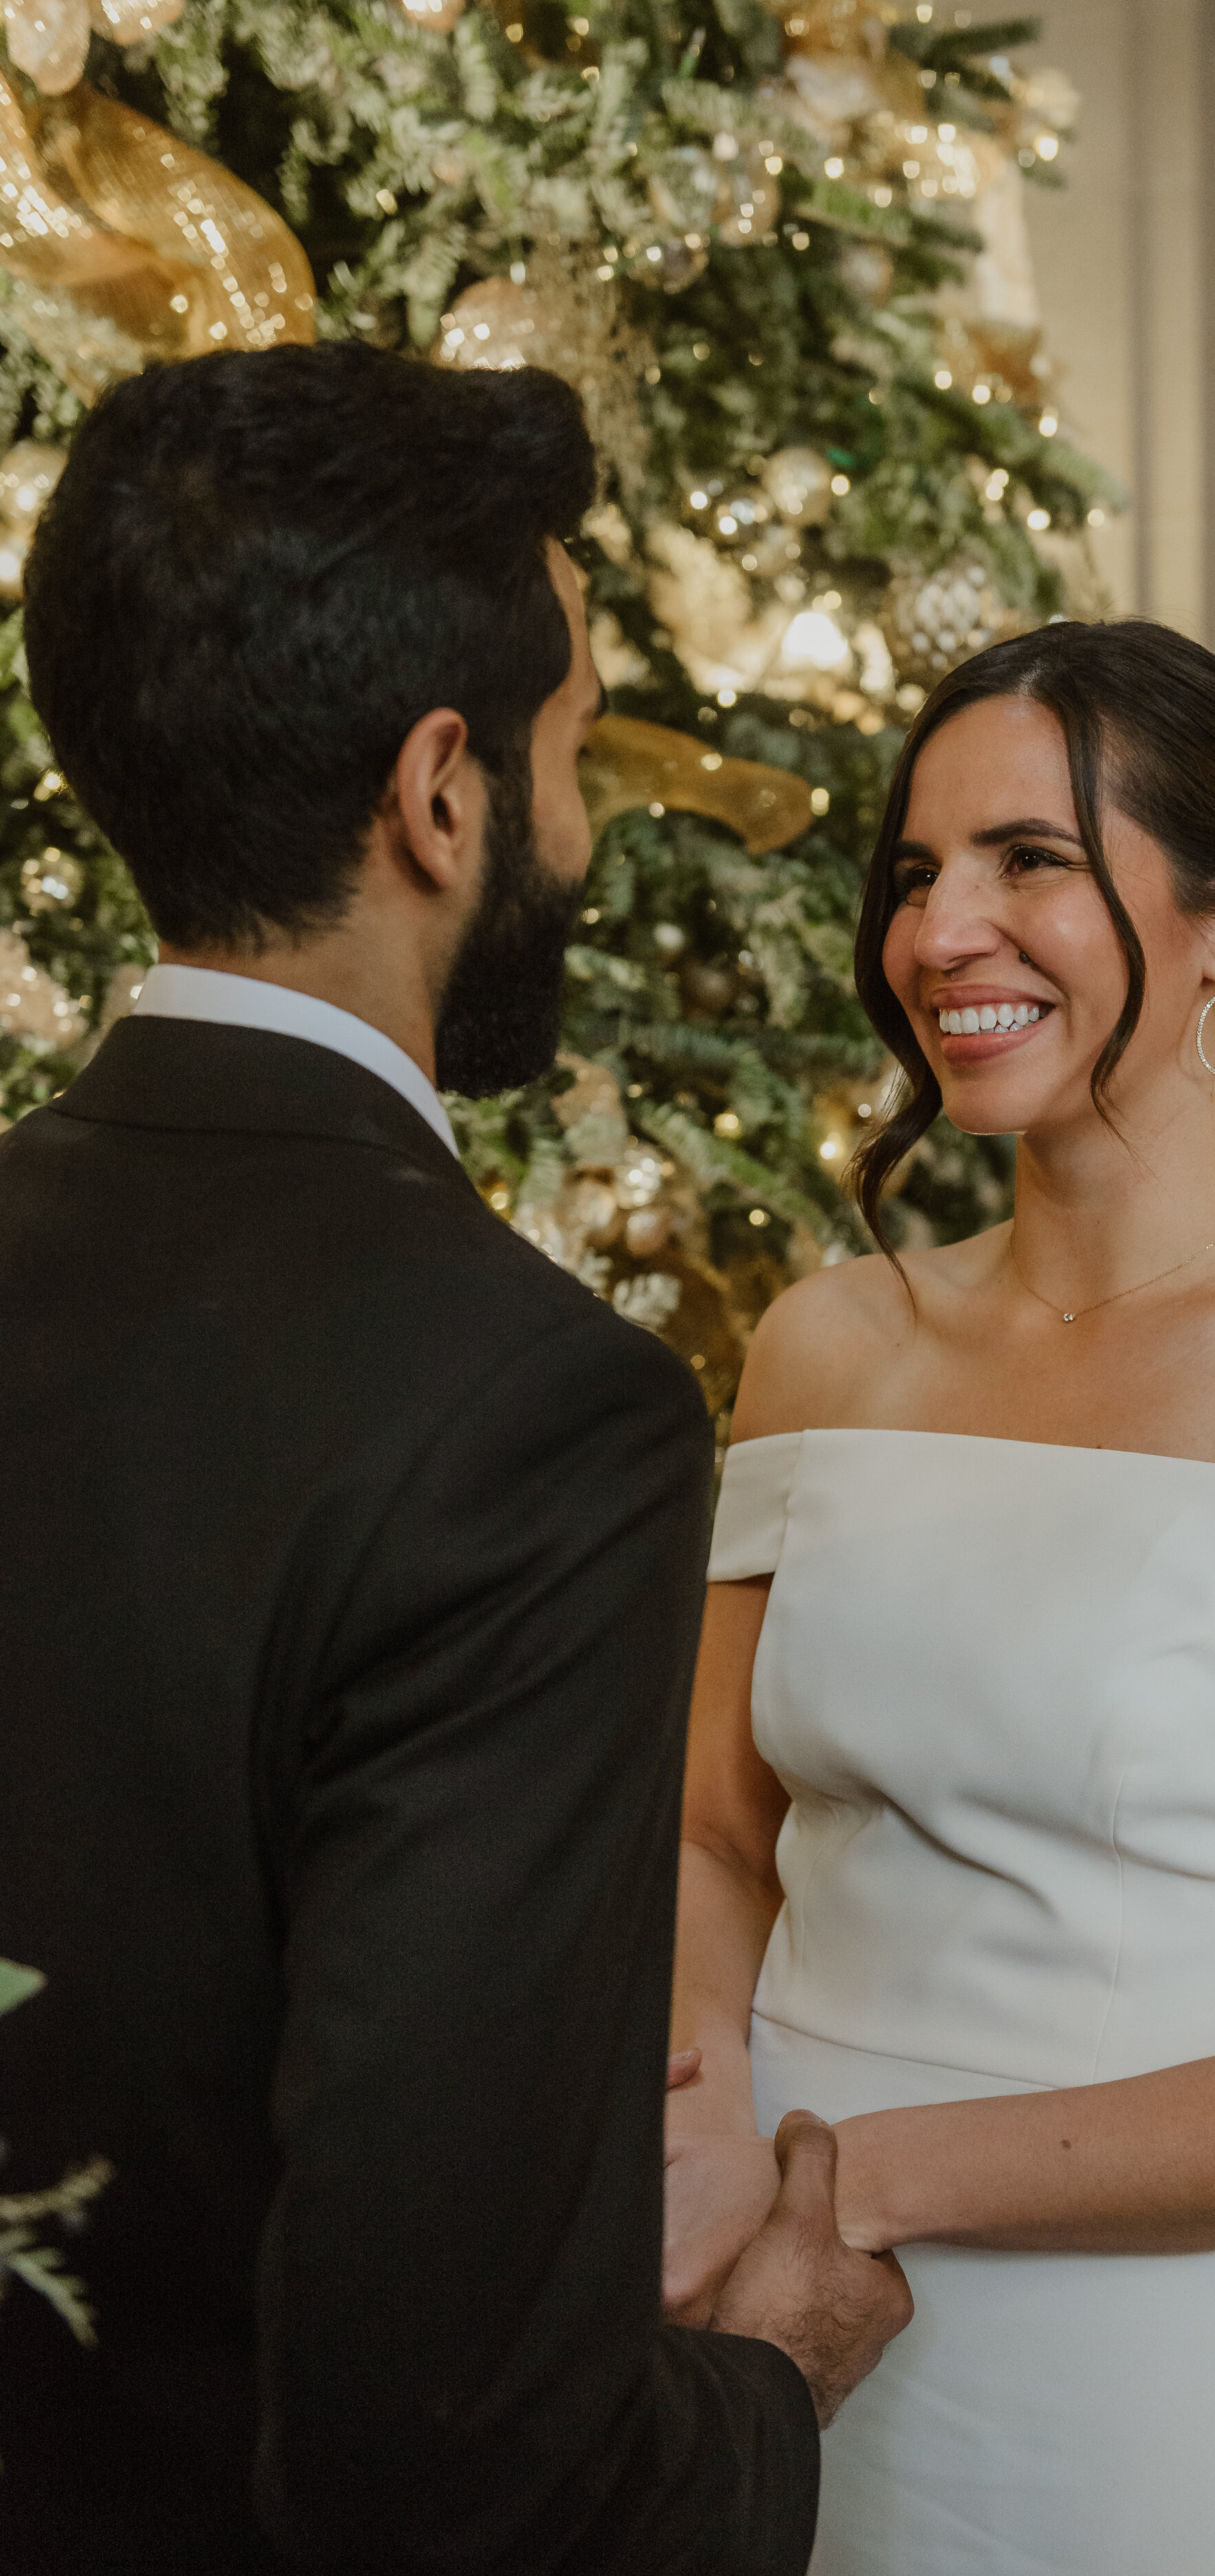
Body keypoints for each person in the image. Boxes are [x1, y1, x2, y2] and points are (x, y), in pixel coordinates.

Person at [0, 343, 907, 2576]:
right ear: (439, 791)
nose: (580, 827)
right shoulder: (532, 1417)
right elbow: (452, 2463)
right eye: (575, 742)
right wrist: (768, 2376)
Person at [663, 620, 1215, 2575]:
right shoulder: (830, 1338)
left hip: (1135, 2407)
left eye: (1029, 860)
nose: (939, 932)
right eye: (915, 872)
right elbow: (714, 1838)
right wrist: (696, 2129)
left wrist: (858, 2179)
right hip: (752, 2340)